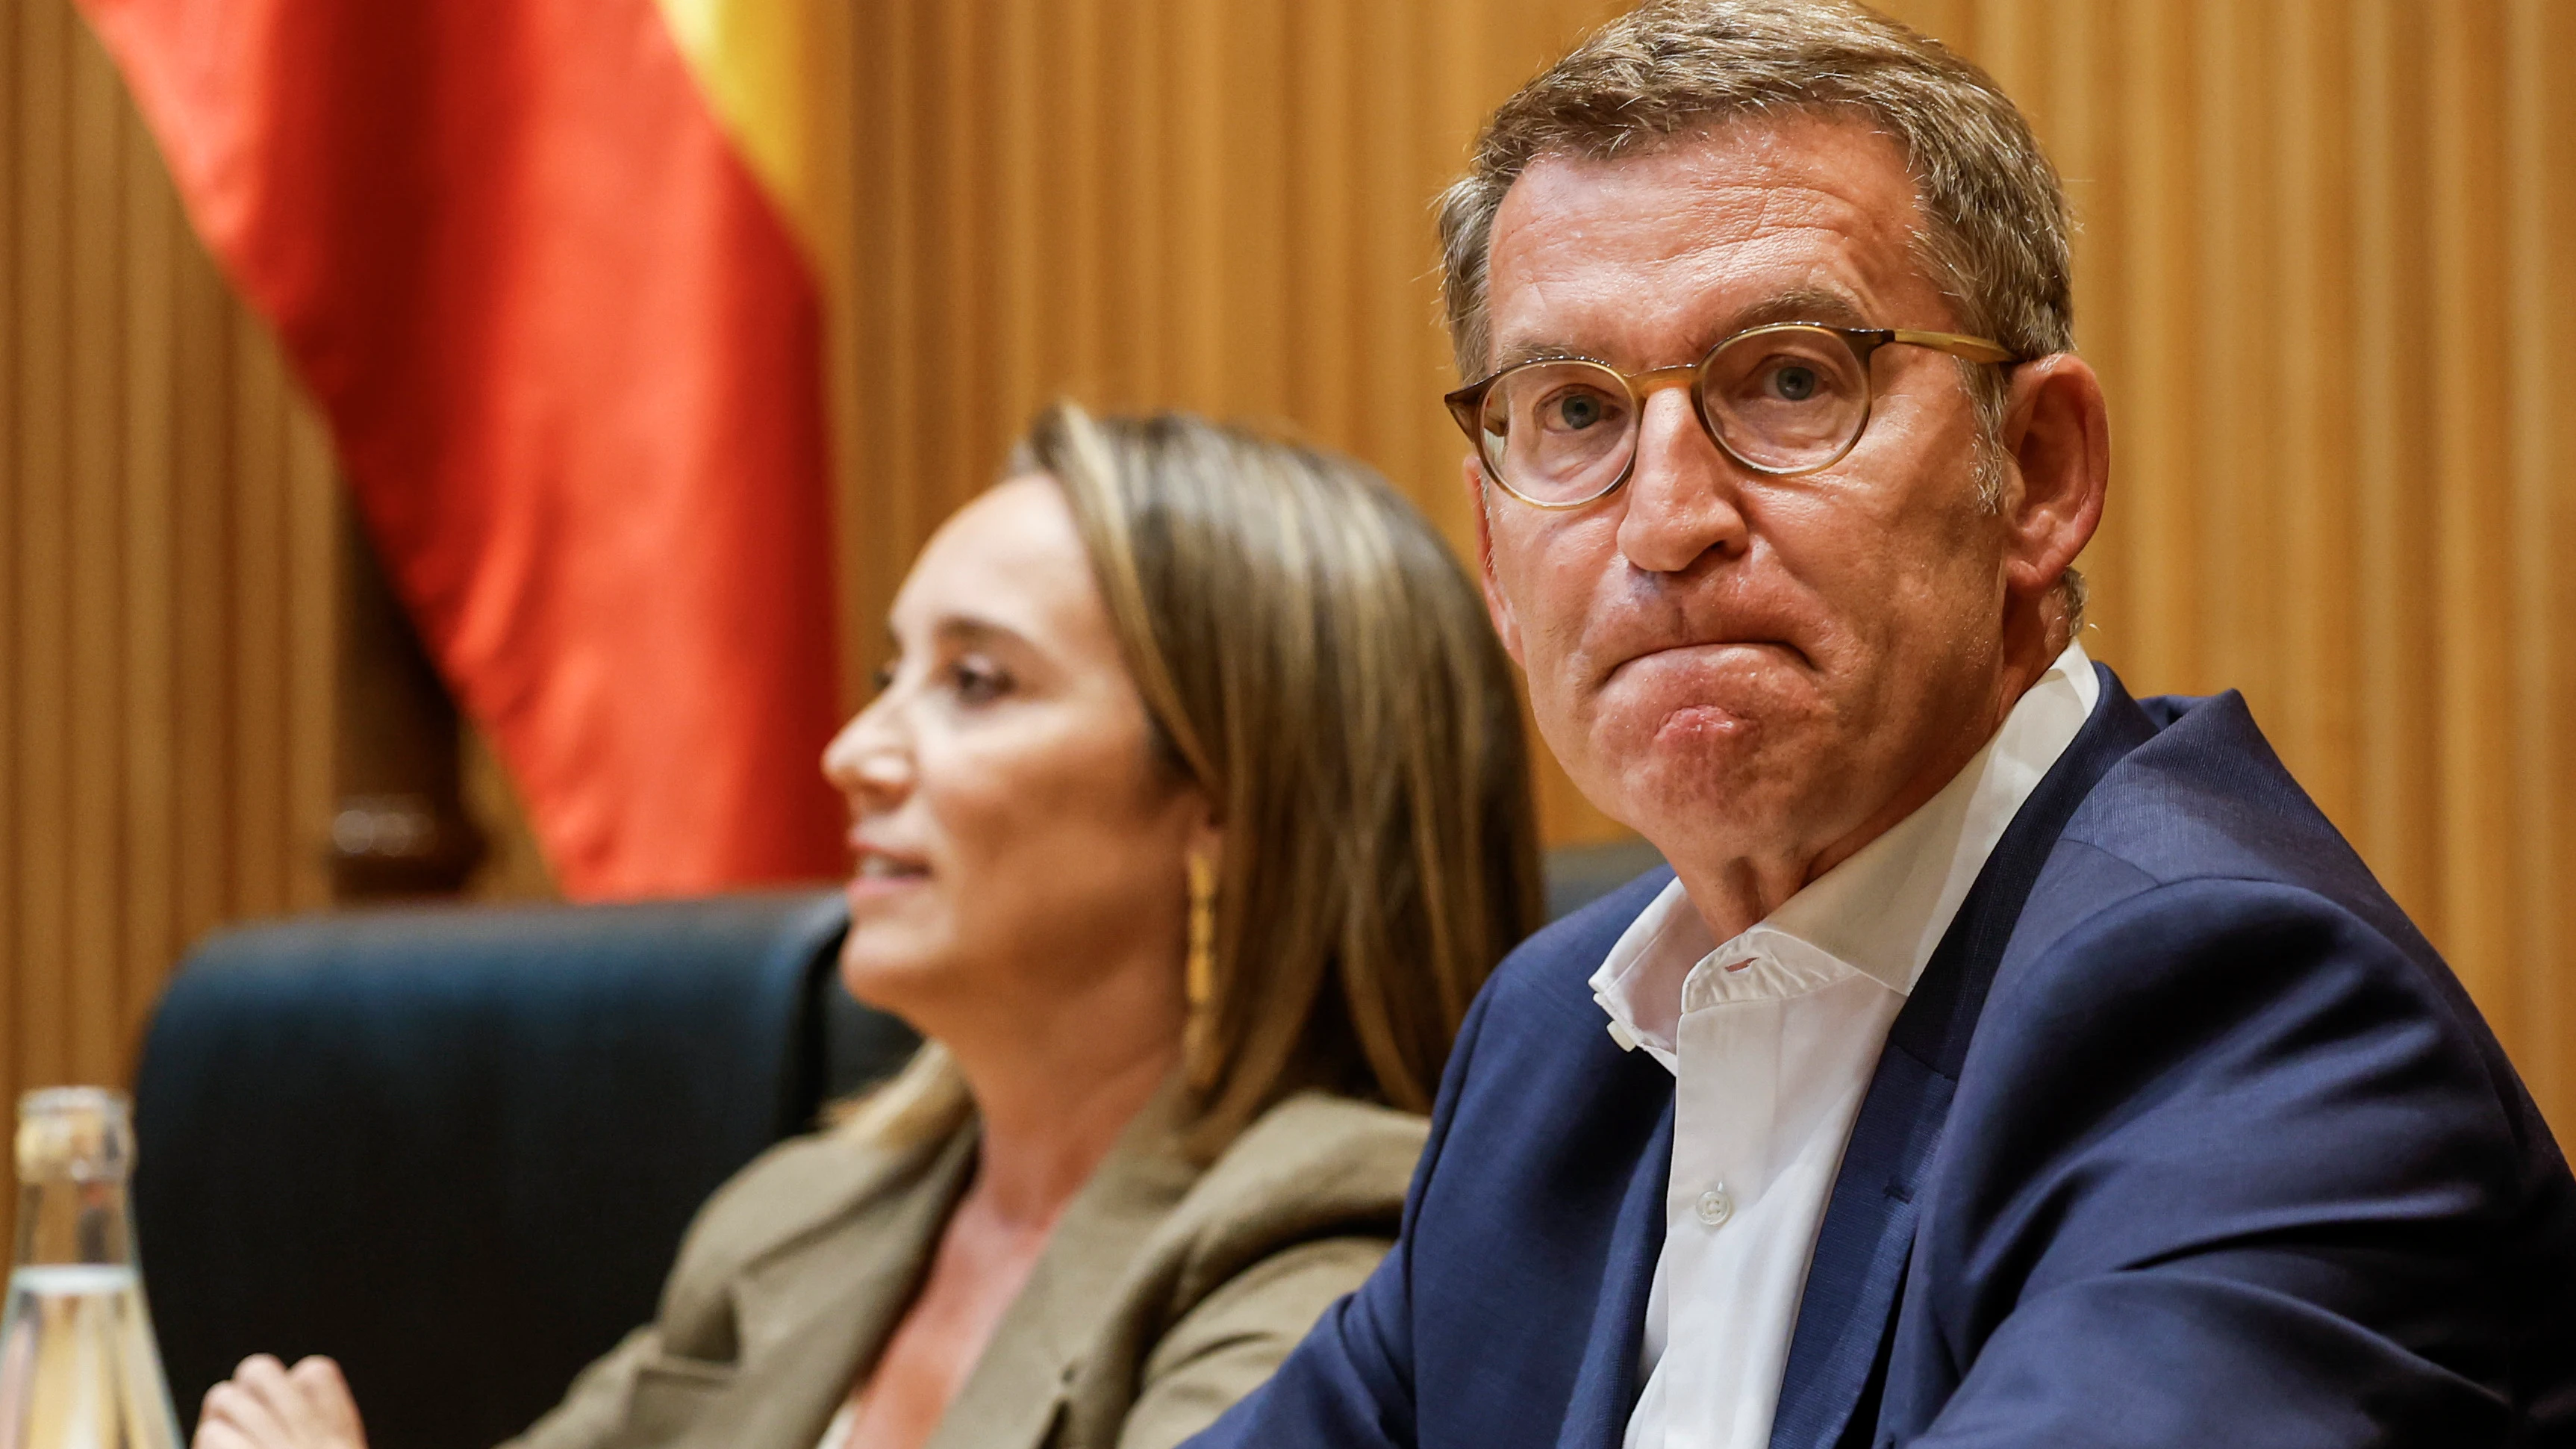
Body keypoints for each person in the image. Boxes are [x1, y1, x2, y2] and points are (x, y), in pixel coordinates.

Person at [1187, 3, 2576, 1447]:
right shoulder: (1550, 1052)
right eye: (1576, 412)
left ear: (2034, 472)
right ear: (1492, 554)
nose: (1663, 524)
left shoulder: (2240, 1018)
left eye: (1791, 380)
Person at [190, 404, 1545, 1449]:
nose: (852, 754)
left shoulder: (1339, 1238)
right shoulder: (804, 1217)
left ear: (1226, 802)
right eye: (889, 675)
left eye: (974, 682)